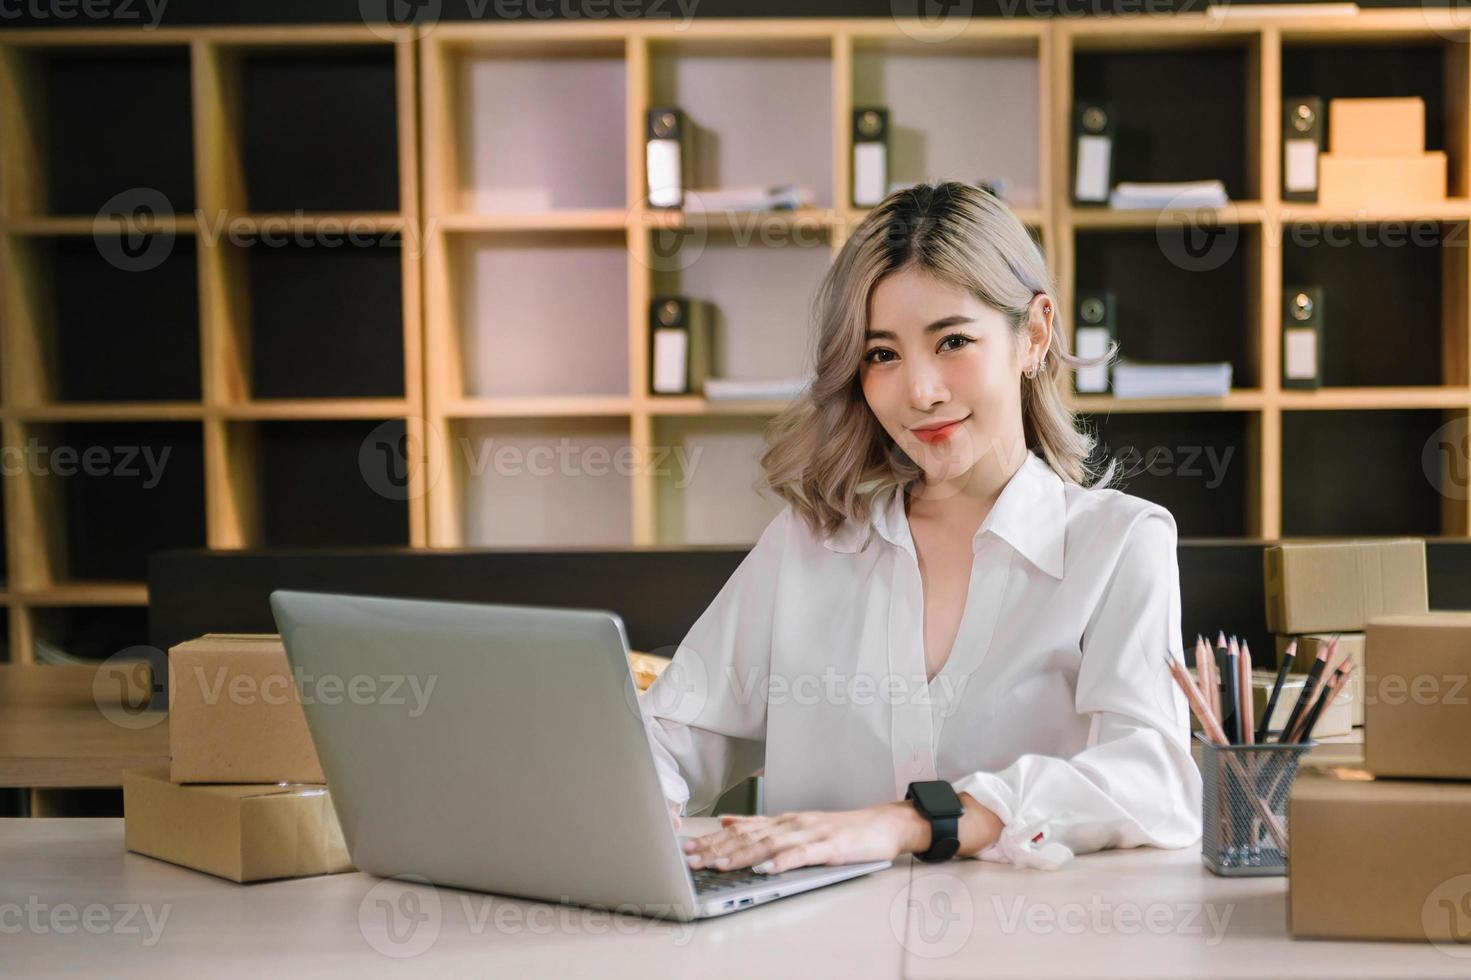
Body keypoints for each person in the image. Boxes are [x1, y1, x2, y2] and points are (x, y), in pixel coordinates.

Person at [639, 180, 1201, 876]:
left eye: (953, 341)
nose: (920, 392)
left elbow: (1154, 784)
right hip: (814, 944)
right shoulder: (807, 543)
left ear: (1033, 333)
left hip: (1032, 947)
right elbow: (666, 739)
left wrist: (910, 823)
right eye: (882, 354)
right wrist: (642, 811)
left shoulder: (1118, 544)